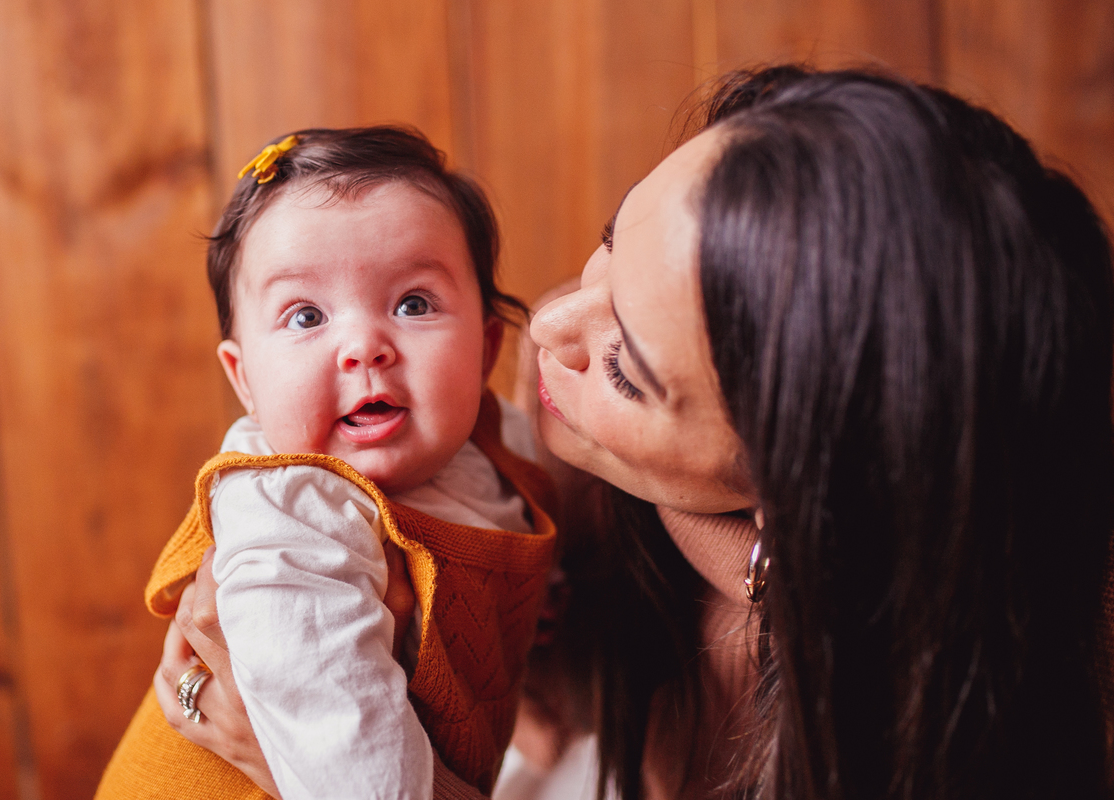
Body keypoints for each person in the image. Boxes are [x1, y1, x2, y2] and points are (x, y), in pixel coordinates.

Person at [151, 67, 1114, 799]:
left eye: (624, 366)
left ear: (801, 489)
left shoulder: (921, 727)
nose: (550, 326)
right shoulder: (510, 472)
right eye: (613, 244)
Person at [96, 127, 558, 800]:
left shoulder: (495, 442)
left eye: (413, 303)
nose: (364, 346)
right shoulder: (291, 515)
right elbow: (363, 780)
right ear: (245, 378)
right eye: (307, 316)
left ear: (487, 349)